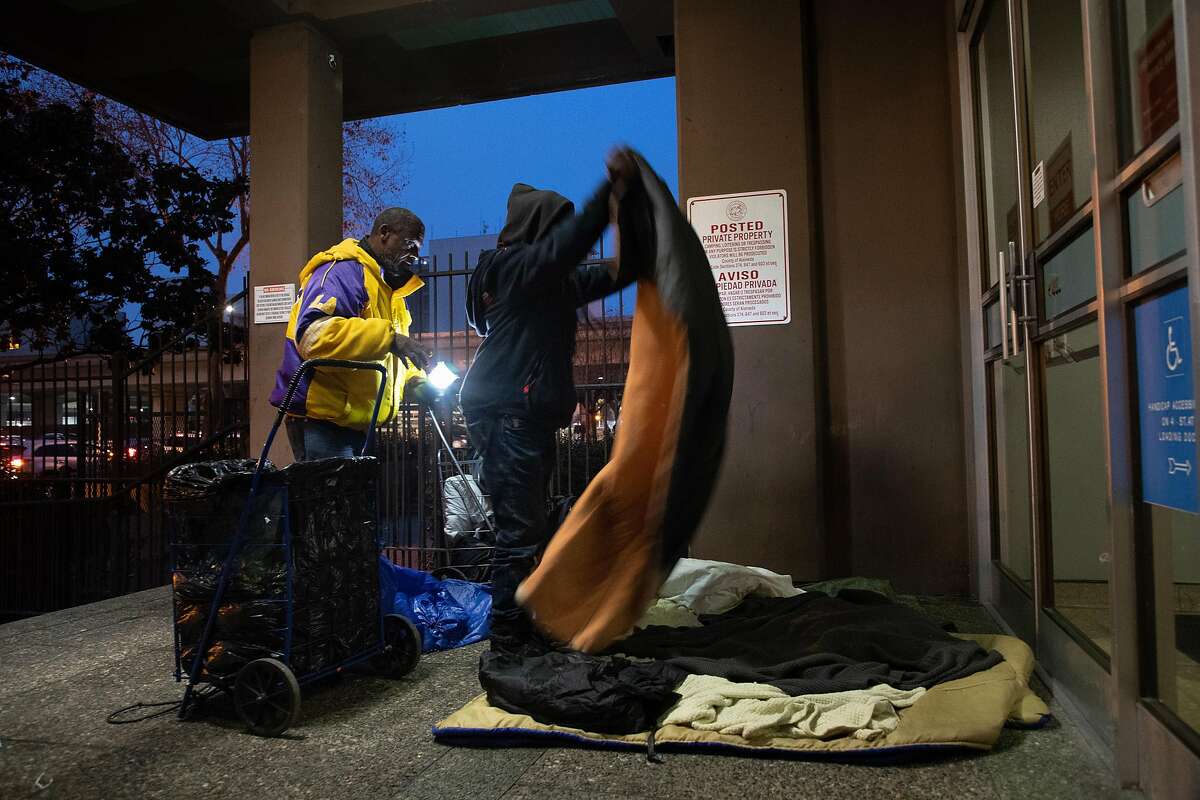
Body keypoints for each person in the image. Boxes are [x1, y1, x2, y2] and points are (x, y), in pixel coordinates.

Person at [461, 149, 639, 653]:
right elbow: (570, 250)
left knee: (530, 527)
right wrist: (608, 195)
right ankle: (510, 640)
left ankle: (526, 625)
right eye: (556, 229)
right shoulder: (514, 267)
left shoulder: (545, 283)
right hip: (508, 415)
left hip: (522, 416)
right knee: (519, 532)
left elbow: (615, 273)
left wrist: (632, 220)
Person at [271, 208, 435, 461]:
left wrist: (413, 379)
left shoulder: (386, 289)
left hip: (352, 421)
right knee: (328, 498)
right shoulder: (344, 272)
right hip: (323, 421)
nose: (415, 254)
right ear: (384, 233)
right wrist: (390, 339)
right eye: (410, 244)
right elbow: (315, 335)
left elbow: (386, 354)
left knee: (343, 499)